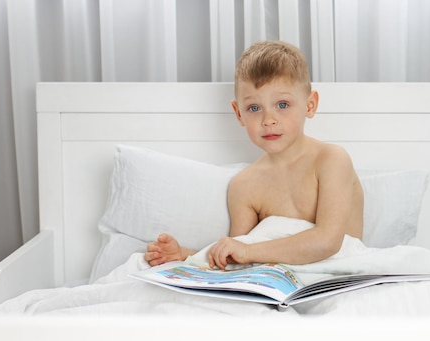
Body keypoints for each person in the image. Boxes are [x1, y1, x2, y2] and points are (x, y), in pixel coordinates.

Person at [145, 41, 364, 270]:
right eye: (254, 108)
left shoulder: (331, 160)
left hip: (338, 277)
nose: (268, 119)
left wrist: (246, 251)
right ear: (239, 113)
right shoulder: (245, 186)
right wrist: (184, 255)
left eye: (282, 104)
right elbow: (235, 258)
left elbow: (327, 242)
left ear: (310, 105)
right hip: (277, 282)